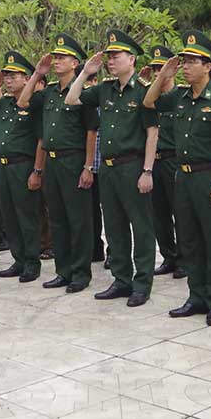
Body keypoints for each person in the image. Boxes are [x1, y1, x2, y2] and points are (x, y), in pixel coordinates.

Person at [144, 32, 211, 326]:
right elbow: (149, 102)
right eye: (183, 61)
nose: (185, 66)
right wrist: (164, 77)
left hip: (209, 174)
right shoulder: (180, 97)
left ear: (208, 66)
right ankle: (196, 296)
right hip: (182, 176)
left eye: (191, 62)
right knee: (190, 240)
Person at [66, 30, 159, 307]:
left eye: (116, 56)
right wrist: (84, 74)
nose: (110, 61)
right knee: (115, 226)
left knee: (141, 227)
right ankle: (121, 279)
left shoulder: (143, 90)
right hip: (108, 168)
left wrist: (147, 170)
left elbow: (152, 132)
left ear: (131, 59)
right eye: (108, 57)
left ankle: (142, 283)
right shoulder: (104, 89)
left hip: (133, 166)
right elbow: (71, 99)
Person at [18, 33, 99, 293]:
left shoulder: (82, 92)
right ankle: (63, 271)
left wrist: (88, 166)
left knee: (79, 220)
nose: (56, 61)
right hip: (52, 162)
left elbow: (91, 131)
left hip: (73, 160)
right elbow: (22, 101)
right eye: (55, 57)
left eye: (62, 57)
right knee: (58, 220)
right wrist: (37, 75)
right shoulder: (50, 91)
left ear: (75, 63)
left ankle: (80, 273)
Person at [0, 51, 45, 283]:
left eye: (13, 75)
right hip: (3, 166)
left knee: (26, 215)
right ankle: (18, 259)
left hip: (23, 165)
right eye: (6, 75)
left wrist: (37, 170)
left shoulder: (33, 104)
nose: (8, 79)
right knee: (8, 215)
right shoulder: (3, 104)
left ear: (27, 79)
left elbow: (40, 140)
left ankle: (32, 262)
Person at [146, 45, 186, 280]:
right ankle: (169, 257)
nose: (157, 73)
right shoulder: (151, 100)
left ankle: (185, 259)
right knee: (158, 214)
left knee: (179, 213)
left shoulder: (180, 96)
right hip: (155, 162)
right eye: (154, 69)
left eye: (161, 69)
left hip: (174, 160)